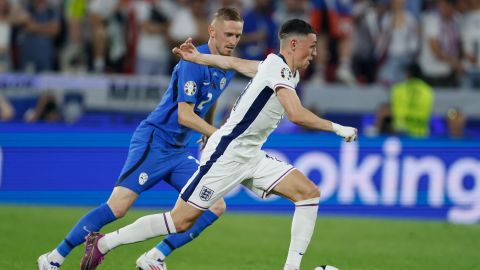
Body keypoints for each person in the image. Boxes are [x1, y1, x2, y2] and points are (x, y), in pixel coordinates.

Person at [80, 19, 357, 270]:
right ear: (294, 44)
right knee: (180, 220)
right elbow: (296, 115)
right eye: (313, 46)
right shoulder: (278, 67)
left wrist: (201, 57)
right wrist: (336, 127)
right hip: (226, 154)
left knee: (308, 193)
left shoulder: (279, 69)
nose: (316, 53)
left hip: (250, 156)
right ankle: (103, 244)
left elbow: (236, 64)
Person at [37, 7, 244, 270]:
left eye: (238, 36)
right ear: (212, 32)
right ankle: (53, 258)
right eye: (229, 34)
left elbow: (209, 101)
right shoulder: (194, 60)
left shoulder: (225, 66)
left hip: (179, 151)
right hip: (155, 142)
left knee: (215, 205)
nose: (233, 41)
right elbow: (184, 116)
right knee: (118, 207)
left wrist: (208, 129)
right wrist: (218, 136)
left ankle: (155, 256)